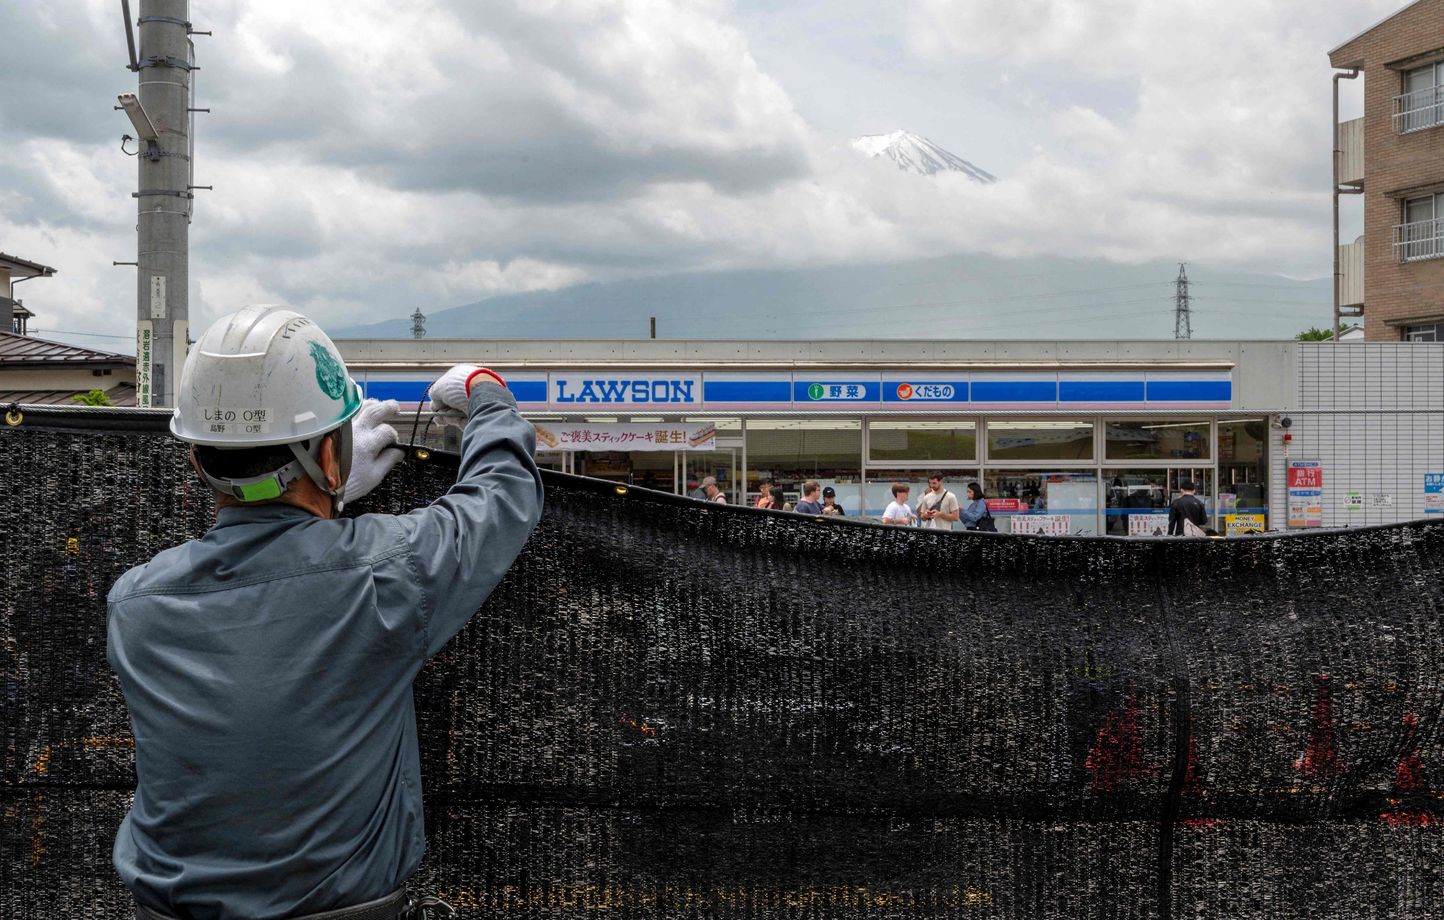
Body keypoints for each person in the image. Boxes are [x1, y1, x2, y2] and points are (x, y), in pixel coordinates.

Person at [106, 306, 545, 920]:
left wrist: (323, 497)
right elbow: (502, 496)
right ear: (330, 455)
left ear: (197, 460)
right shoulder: (385, 573)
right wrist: (485, 394)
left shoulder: (133, 603)